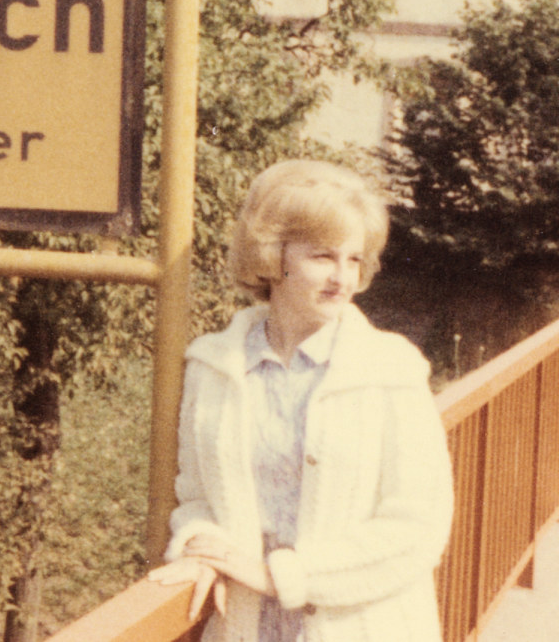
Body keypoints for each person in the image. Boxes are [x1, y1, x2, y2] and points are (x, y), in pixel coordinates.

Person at [149, 159, 454, 642]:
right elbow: (197, 497)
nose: (343, 279)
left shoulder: (391, 370)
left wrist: (283, 576)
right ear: (273, 257)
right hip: (246, 629)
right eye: (323, 257)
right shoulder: (213, 367)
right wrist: (199, 548)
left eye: (354, 259)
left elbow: (417, 527)